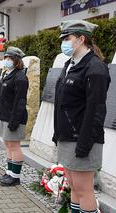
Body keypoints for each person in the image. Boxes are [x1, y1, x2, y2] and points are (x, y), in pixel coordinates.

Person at [53, 20, 110, 213]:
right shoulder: (70, 64)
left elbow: (95, 111)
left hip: (83, 139)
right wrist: (57, 133)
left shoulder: (95, 68)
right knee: (74, 186)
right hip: (67, 136)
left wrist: (84, 144)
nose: (64, 43)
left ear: (81, 39)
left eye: (67, 38)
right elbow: (62, 103)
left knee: (84, 190)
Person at [0, 46, 28, 186]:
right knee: (8, 144)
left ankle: (15, 176)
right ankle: (9, 172)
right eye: (6, 58)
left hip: (14, 118)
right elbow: (2, 98)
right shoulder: (7, 74)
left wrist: (14, 122)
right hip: (5, 116)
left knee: (14, 145)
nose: (7, 60)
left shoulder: (20, 77)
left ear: (16, 60)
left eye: (10, 58)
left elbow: (20, 101)